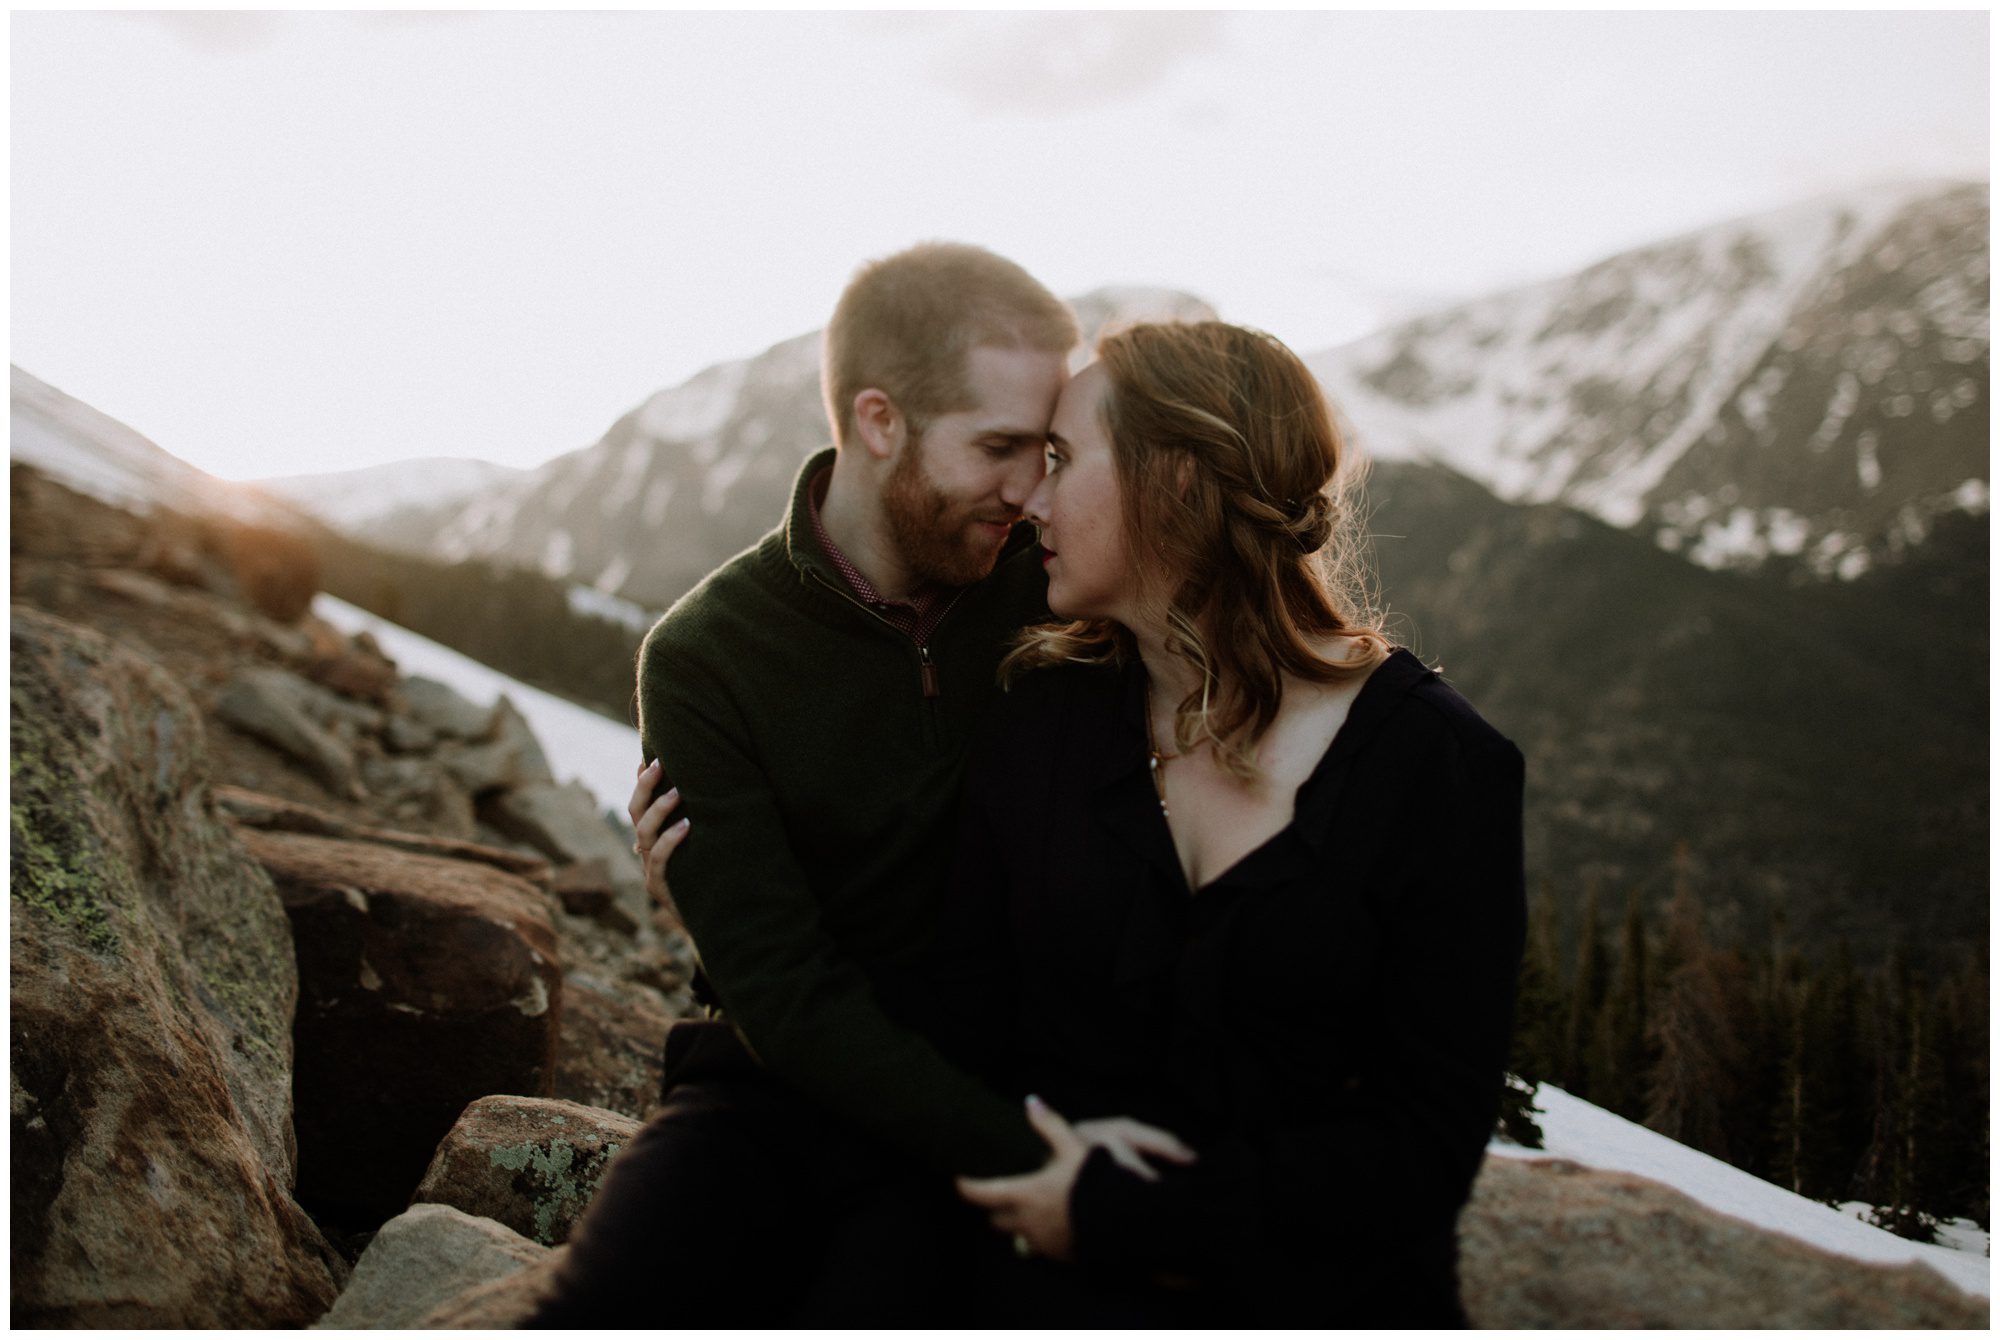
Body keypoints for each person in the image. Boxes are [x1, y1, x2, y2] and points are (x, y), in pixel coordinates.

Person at [527, 243, 1183, 1328]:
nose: (1030, 491)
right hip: (772, 1091)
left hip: (1005, 1073)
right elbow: (780, 993)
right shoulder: (705, 654)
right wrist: (1032, 1153)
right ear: (880, 422)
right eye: (1001, 447)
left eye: (1049, 451)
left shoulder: (1060, 584)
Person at [904, 320, 1527, 1324]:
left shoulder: (1438, 769)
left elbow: (1421, 1145)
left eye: (1061, 458)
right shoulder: (1040, 724)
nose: (1028, 498)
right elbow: (958, 1015)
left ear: (1178, 481)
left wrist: (1133, 1214)